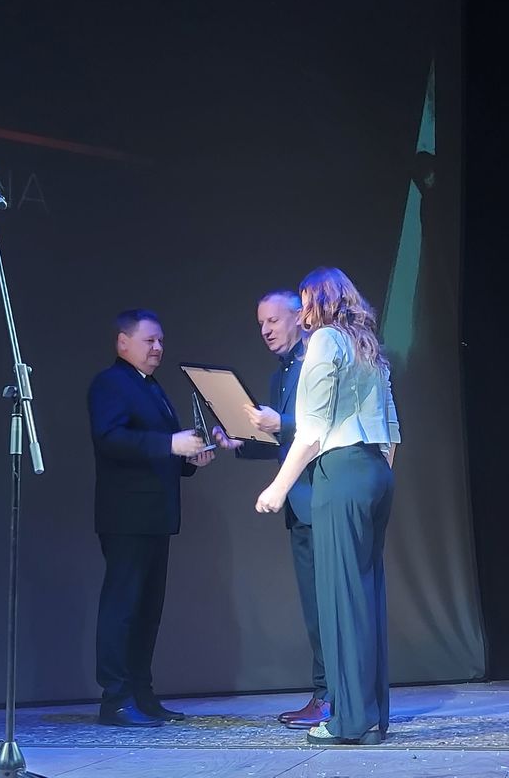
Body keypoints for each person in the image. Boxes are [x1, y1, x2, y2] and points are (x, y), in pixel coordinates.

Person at [255, 267, 401, 745]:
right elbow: (391, 428)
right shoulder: (368, 346)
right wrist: (377, 476)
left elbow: (313, 431)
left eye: (305, 305)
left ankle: (349, 721)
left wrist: (278, 487)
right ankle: (371, 717)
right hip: (375, 472)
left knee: (342, 603)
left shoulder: (324, 341)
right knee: (366, 597)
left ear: (318, 303)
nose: (303, 316)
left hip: (340, 474)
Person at [88, 308, 214, 727]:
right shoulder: (110, 383)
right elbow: (111, 439)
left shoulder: (151, 386)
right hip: (126, 516)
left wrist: (190, 458)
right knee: (123, 606)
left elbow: (162, 449)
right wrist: (170, 445)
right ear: (123, 342)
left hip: (156, 516)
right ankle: (116, 698)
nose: (158, 347)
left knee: (147, 611)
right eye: (149, 340)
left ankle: (142, 693)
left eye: (160, 340)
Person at [214, 290, 330, 729]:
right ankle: (325, 693)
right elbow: (281, 442)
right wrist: (240, 443)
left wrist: (280, 423)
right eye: (260, 323)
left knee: (328, 607)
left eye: (273, 321)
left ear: (299, 317)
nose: (265, 330)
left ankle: (333, 696)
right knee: (315, 608)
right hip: (299, 506)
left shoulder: (314, 364)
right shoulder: (280, 374)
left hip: (321, 497)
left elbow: (324, 428)